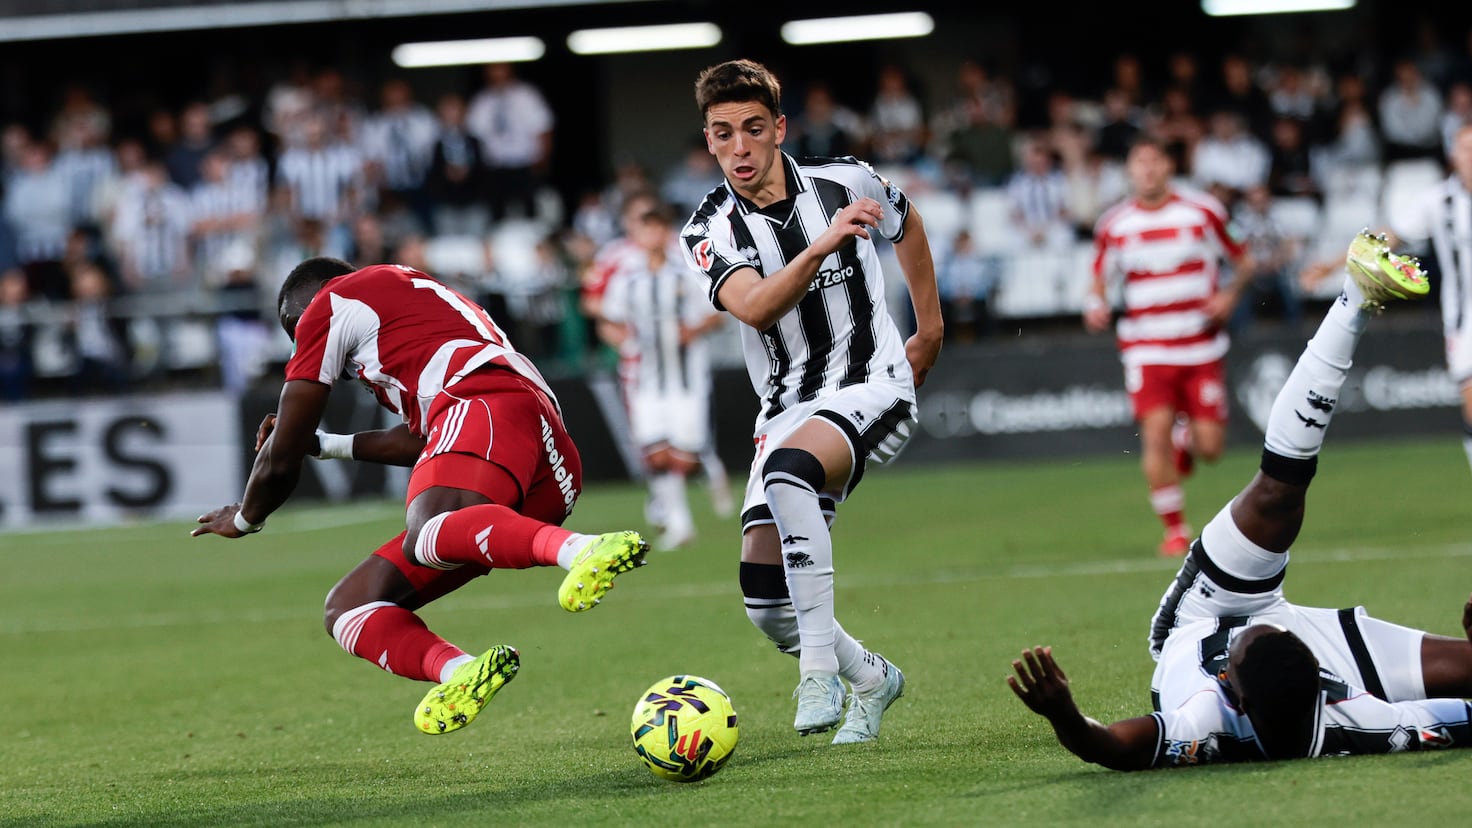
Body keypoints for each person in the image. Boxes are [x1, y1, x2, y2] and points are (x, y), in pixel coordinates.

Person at [1010, 232, 1472, 769]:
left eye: (1250, 641)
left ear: (1236, 694)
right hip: (1321, 653)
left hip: (1206, 614)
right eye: (1272, 630)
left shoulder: (1206, 722)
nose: (1264, 624)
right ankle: (1358, 296)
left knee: (1276, 493)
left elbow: (1109, 746)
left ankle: (1352, 295)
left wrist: (1063, 712)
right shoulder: (1364, 719)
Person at [191, 256, 649, 735]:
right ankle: (460, 672)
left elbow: (281, 453)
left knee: (427, 530)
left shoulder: (333, 302)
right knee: (349, 607)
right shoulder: (413, 309)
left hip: (484, 404)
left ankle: (584, 549)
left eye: (298, 330)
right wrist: (327, 445)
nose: (310, 346)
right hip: (540, 455)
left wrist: (245, 517)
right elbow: (425, 439)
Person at [679, 59, 944, 744]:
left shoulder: (846, 180)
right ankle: (872, 678)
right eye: (723, 133)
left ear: (779, 129)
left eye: (753, 129)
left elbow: (906, 225)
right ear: (708, 140)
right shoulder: (708, 233)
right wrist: (826, 241)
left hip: (872, 383)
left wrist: (931, 326)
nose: (739, 147)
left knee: (788, 472)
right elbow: (759, 307)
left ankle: (818, 672)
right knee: (767, 606)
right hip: (786, 408)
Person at [1087, 134, 1255, 557]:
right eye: (1138, 161)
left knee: (1211, 450)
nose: (1146, 169)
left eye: (1154, 161)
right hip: (1147, 348)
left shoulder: (1203, 211)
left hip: (1200, 346)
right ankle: (1176, 531)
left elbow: (1245, 261)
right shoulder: (1114, 224)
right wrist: (1095, 305)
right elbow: (1098, 279)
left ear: (1168, 167)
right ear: (1129, 170)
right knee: (1154, 434)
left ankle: (1186, 443)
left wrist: (1229, 297)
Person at [597, 199, 725, 549]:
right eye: (645, 228)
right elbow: (608, 319)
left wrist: (693, 331)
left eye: (657, 227)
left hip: (687, 379)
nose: (652, 234)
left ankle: (697, 485)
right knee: (656, 454)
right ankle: (679, 522)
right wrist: (623, 342)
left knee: (684, 457)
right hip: (647, 379)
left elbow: (717, 314)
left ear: (666, 232)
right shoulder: (628, 279)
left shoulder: (686, 273)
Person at [1384, 123, 1472, 483]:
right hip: (1466, 323)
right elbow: (1394, 234)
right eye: (1465, 148)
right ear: (1453, 155)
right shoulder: (1439, 201)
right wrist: (1333, 262)